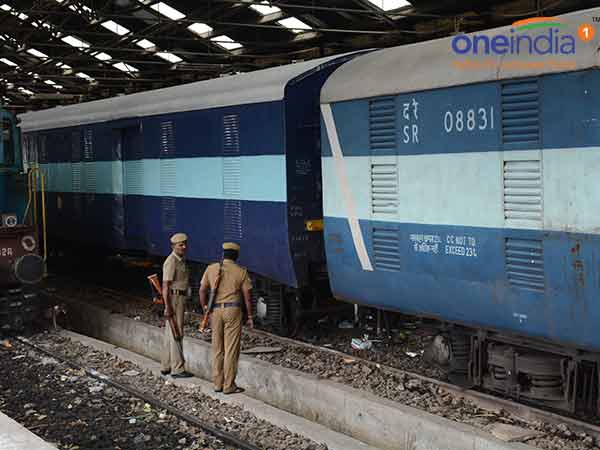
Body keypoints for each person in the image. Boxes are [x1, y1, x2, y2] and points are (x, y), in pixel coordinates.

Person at [199, 242, 253, 394]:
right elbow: (248, 297)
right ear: (236, 256)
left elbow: (202, 290)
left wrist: (205, 308)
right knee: (231, 349)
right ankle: (229, 386)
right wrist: (250, 316)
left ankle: (217, 384)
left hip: (215, 311)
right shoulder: (241, 271)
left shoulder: (211, 268)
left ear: (223, 255)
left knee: (217, 349)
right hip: (233, 310)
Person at [160, 232, 193, 378]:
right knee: (176, 331)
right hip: (175, 298)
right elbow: (165, 286)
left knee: (170, 332)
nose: (184, 247)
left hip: (178, 297)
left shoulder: (180, 260)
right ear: (173, 246)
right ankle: (177, 369)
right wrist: (167, 307)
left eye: (185, 244)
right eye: (180, 245)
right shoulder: (171, 261)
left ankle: (166, 365)